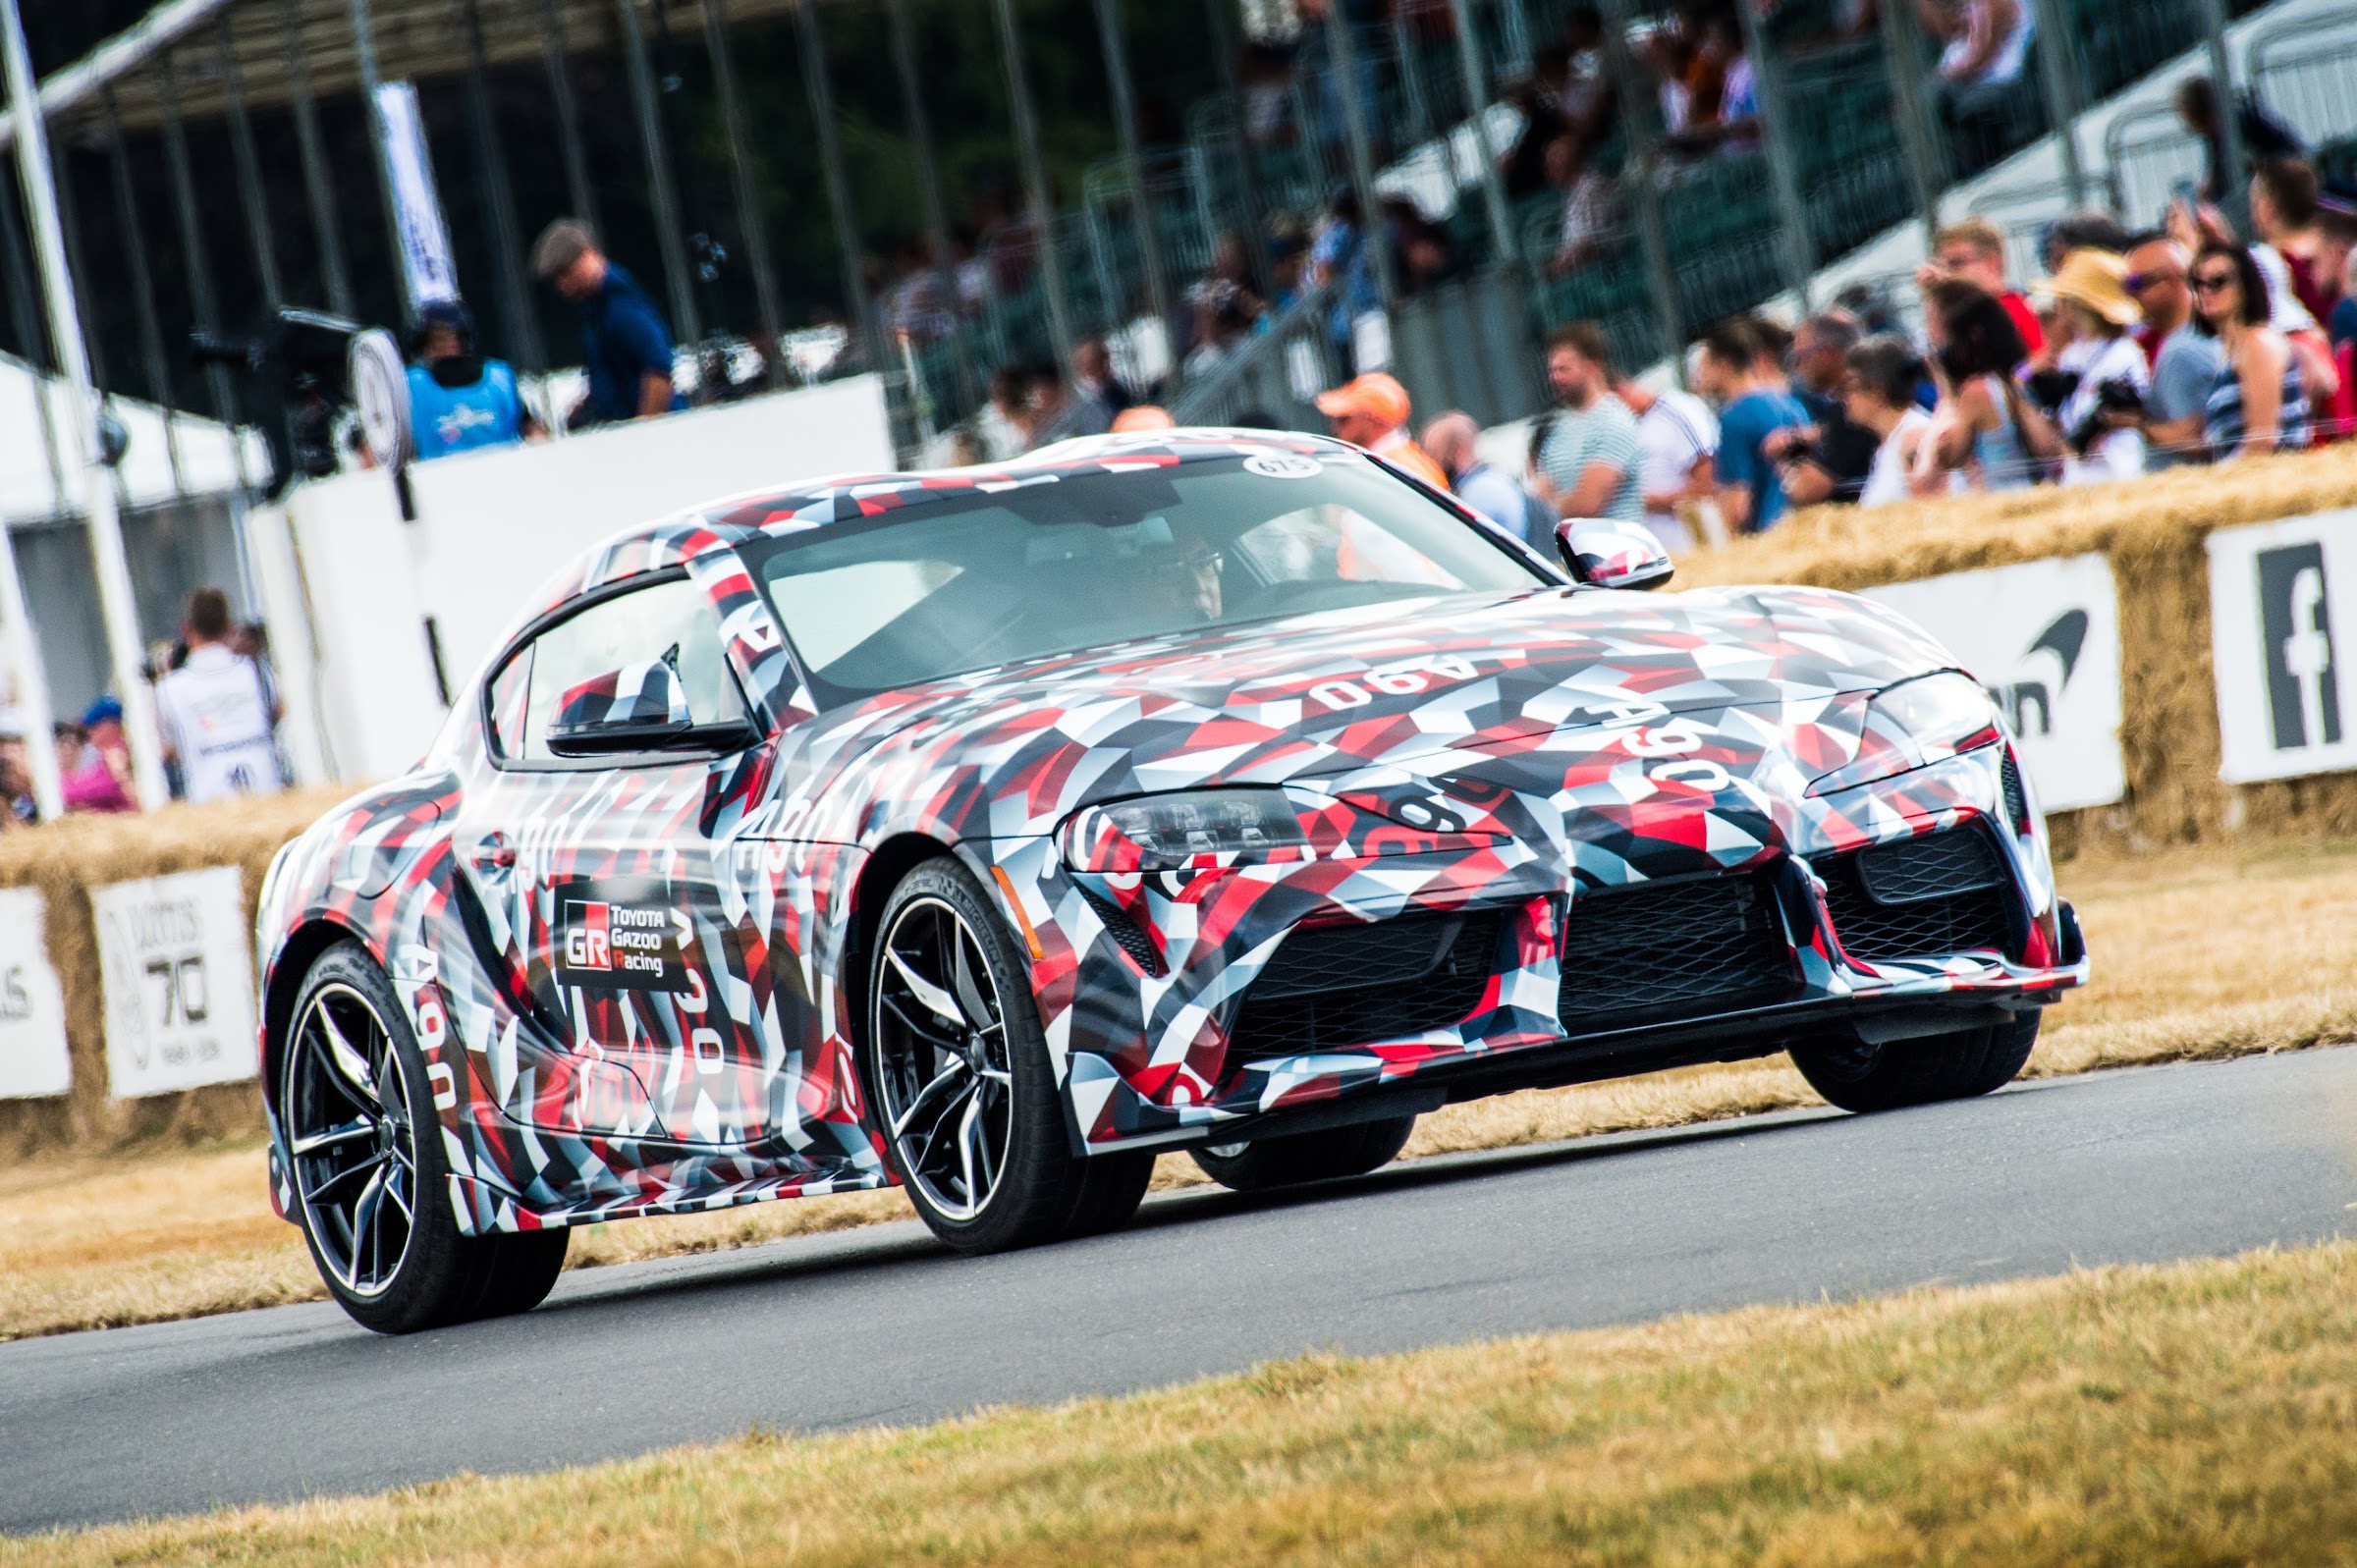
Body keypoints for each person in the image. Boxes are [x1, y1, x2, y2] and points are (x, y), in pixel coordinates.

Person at [531, 219, 683, 426]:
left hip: (657, 432)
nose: (561, 285)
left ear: (587, 255)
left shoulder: (620, 305)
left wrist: (645, 431)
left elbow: (658, 370)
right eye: (555, 279)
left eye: (565, 272)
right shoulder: (596, 310)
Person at [2020, 249, 2150, 485]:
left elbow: (2116, 413)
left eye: (2065, 298)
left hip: (2118, 476)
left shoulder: (2124, 353)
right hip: (2079, 479)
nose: (2058, 306)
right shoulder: (2073, 355)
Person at [152, 587, 285, 805]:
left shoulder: (170, 689)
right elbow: (278, 714)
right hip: (268, 797)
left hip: (210, 804)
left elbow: (167, 749)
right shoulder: (259, 674)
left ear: (186, 630)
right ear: (229, 626)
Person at [2191, 241, 2310, 460]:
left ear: (2245, 286)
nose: (2205, 291)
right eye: (2198, 283)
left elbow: (2262, 441)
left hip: (2272, 478)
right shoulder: (2231, 351)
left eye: (2218, 281)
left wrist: (2219, 479)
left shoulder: (2258, 343)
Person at [1919, 280, 2038, 490]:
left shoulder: (1977, 393)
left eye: (1932, 323)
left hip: (2002, 500)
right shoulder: (2006, 382)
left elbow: (1937, 465)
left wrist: (1944, 387)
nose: (1931, 338)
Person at [2122, 234, 2226, 468]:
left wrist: (2134, 422)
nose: (2130, 293)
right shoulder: (2205, 333)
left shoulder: (2180, 352)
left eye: (2136, 283)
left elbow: (2199, 440)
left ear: (2171, 281)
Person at [1695, 319, 1809, 531]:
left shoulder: (1734, 418)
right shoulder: (1791, 403)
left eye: (1704, 365)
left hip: (1766, 534)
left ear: (1723, 365)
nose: (1698, 374)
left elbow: (1737, 507)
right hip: (1802, 526)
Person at [1528, 323, 1644, 525]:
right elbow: (1538, 493)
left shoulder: (1614, 422)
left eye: (1563, 369)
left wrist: (1551, 504)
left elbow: (1587, 506)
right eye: (1552, 371)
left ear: (1591, 366)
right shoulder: (1558, 427)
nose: (1554, 378)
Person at [404, 300, 539, 461]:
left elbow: (533, 431)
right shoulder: (412, 385)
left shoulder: (500, 378)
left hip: (504, 470)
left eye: (448, 336)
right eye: (437, 338)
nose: (445, 343)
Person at [1771, 313, 1881, 508]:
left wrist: (1785, 466)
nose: (1798, 368)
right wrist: (1808, 437)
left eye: (1801, 357)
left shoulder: (1851, 410)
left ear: (1828, 353)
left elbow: (1805, 491)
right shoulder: (1875, 391)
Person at [1612, 372, 1718, 554]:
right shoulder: (1628, 427)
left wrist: (1642, 501)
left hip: (1687, 548)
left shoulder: (1675, 411)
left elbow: (1706, 486)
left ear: (1621, 391)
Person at [1917, 218, 2043, 356]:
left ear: (1992, 263)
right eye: (1942, 266)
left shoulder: (2008, 310)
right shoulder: (1975, 313)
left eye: (1955, 263)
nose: (1946, 275)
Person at [2176, 75, 2304, 207]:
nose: (2198, 131)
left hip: (2282, 188)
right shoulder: (2214, 136)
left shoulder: (2243, 124)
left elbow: (2285, 154)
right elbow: (2216, 177)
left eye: (2194, 125)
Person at [1422, 411, 1545, 546]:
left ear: (1459, 449)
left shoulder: (1478, 491)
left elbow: (1465, 545)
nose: (1430, 464)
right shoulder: (1491, 479)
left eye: (1434, 454)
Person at [1315, 372, 1453, 492]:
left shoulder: (1399, 468)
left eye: (1344, 419)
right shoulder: (1394, 462)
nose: (1335, 428)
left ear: (1371, 420)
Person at [1847, 336, 1939, 508]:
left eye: (1850, 386)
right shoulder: (1890, 444)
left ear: (1877, 391)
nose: (1845, 397)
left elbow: (1933, 511)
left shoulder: (1914, 438)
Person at [2251, 159, 2341, 332]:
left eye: (2255, 202)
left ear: (2269, 205)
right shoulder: (2338, 245)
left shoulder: (2274, 263)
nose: (2253, 213)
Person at [61, 703, 133, 814]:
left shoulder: (119, 753)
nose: (89, 732)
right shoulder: (101, 753)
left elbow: (100, 788)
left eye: (94, 727)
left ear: (110, 726)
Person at [1069, 340, 1135, 437]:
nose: (1094, 366)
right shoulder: (1079, 400)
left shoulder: (1121, 389)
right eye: (1089, 362)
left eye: (1097, 360)